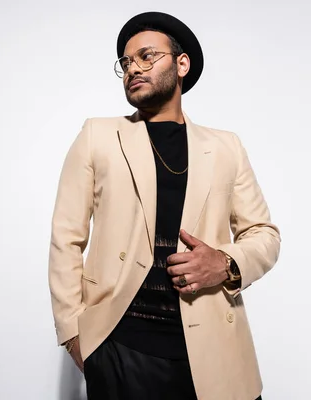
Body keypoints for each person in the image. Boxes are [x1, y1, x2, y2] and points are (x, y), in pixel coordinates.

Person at [48, 11, 280, 400]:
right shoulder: (98, 135)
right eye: (125, 62)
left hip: (216, 351)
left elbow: (264, 235)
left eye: (146, 56)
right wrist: (74, 335)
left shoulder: (226, 147)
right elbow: (66, 237)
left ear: (181, 63)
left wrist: (223, 263)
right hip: (122, 347)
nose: (132, 69)